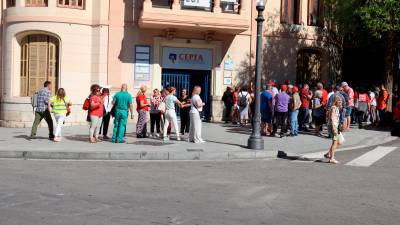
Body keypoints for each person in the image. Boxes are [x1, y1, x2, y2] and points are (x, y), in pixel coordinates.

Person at [324, 96, 343, 164]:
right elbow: (332, 118)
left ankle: (328, 154)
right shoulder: (333, 108)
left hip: (336, 126)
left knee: (340, 141)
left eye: (341, 101)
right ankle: (332, 158)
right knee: (335, 142)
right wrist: (334, 128)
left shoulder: (337, 108)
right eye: (339, 101)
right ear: (335, 101)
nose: (340, 102)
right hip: (333, 127)